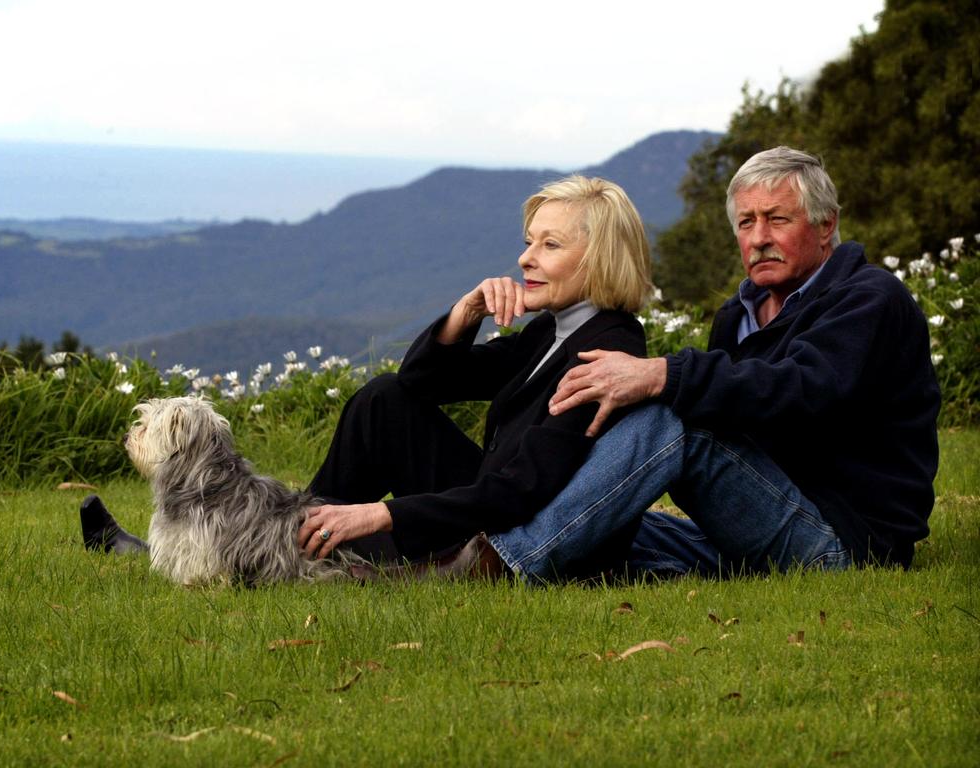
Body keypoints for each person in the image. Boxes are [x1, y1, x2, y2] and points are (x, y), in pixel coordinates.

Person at [82, 176, 655, 567]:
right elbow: (421, 384)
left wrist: (379, 513)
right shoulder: (553, 331)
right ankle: (279, 536)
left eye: (549, 245)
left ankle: (278, 547)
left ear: (600, 256)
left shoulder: (604, 350)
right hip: (489, 496)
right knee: (383, 401)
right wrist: (464, 315)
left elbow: (519, 493)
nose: (526, 258)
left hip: (506, 532)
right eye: (528, 242)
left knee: (362, 529)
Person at [430, 146, 940, 582]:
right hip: (763, 514)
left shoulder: (869, 299)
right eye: (746, 222)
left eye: (777, 219)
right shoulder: (738, 314)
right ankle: (445, 547)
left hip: (845, 542)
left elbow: (804, 388)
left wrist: (662, 374)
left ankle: (501, 565)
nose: (758, 236)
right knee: (604, 518)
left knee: (674, 418)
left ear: (826, 225)